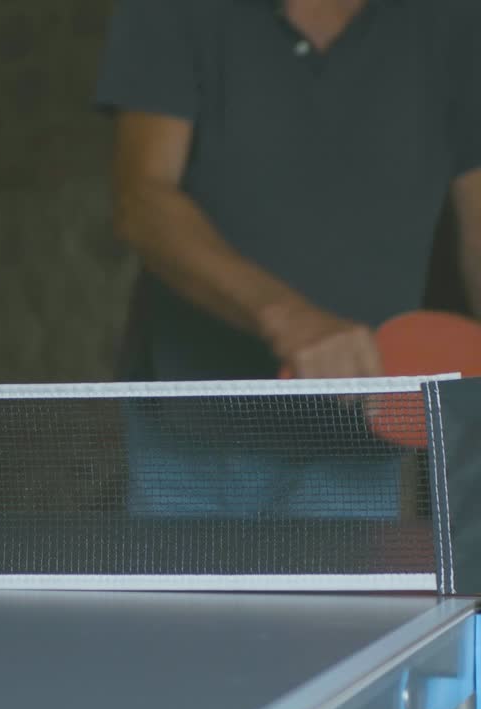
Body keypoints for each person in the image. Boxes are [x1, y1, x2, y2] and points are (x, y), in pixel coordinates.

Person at [95, 0, 481, 518]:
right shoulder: (172, 11)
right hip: (189, 431)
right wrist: (292, 320)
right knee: (179, 604)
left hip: (358, 442)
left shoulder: (459, 23)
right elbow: (142, 201)